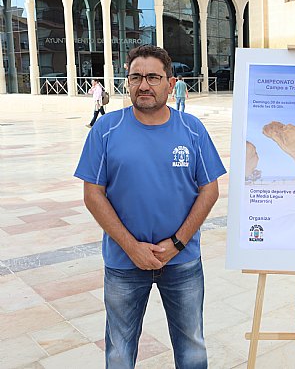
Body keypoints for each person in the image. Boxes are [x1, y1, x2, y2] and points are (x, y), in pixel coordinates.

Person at [74, 45, 226, 368]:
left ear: (170, 84)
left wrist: (176, 244)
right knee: (119, 351)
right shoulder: (106, 129)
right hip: (124, 262)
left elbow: (209, 190)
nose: (144, 85)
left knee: (192, 349)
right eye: (136, 77)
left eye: (153, 77)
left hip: (181, 261)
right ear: (127, 82)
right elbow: (92, 194)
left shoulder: (192, 129)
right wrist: (132, 248)